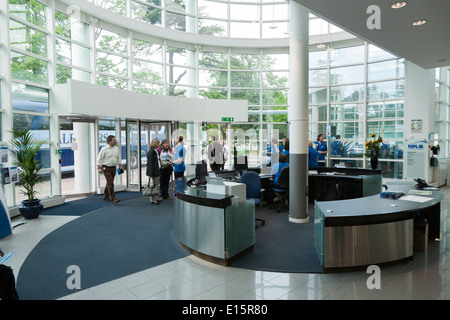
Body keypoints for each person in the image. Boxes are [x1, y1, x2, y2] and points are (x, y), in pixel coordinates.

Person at [97, 135, 124, 204]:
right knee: (111, 183)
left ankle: (106, 195)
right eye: (114, 140)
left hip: (113, 167)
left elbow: (118, 157)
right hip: (106, 168)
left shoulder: (116, 149)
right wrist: (98, 168)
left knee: (109, 182)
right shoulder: (104, 149)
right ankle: (113, 198)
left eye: (115, 140)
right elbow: (99, 159)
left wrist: (120, 165)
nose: (115, 141)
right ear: (109, 141)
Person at [146, 139, 161, 205]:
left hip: (157, 170)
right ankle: (153, 199)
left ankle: (155, 198)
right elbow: (150, 164)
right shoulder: (151, 152)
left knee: (156, 185)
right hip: (154, 172)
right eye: (158, 143)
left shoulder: (155, 151)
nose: (159, 145)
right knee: (153, 185)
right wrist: (151, 174)